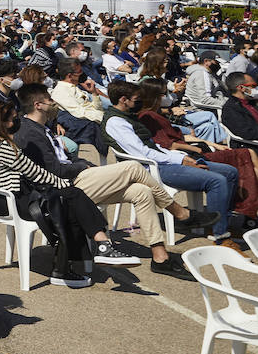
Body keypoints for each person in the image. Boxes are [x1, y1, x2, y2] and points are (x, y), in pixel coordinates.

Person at [14, 81, 219, 276]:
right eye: (50, 100)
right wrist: (83, 165)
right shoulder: (29, 132)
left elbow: (64, 159)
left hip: (77, 178)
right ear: (38, 105)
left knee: (142, 192)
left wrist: (81, 164)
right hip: (65, 187)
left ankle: (160, 257)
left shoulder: (43, 128)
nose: (54, 102)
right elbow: (54, 169)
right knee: (133, 167)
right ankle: (181, 213)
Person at [0, 99, 139, 287]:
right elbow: (34, 172)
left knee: (70, 199)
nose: (16, 122)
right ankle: (94, 250)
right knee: (71, 197)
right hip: (11, 203)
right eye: (12, 119)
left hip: (0, 200)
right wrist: (63, 183)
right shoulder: (1, 147)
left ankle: (84, 256)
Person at [102, 80, 244, 247]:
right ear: (123, 99)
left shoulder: (128, 117)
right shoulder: (116, 122)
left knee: (229, 172)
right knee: (216, 180)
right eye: (136, 99)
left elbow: (154, 146)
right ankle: (220, 236)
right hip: (151, 169)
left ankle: (221, 223)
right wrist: (180, 159)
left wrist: (181, 156)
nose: (140, 102)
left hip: (164, 160)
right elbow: (143, 153)